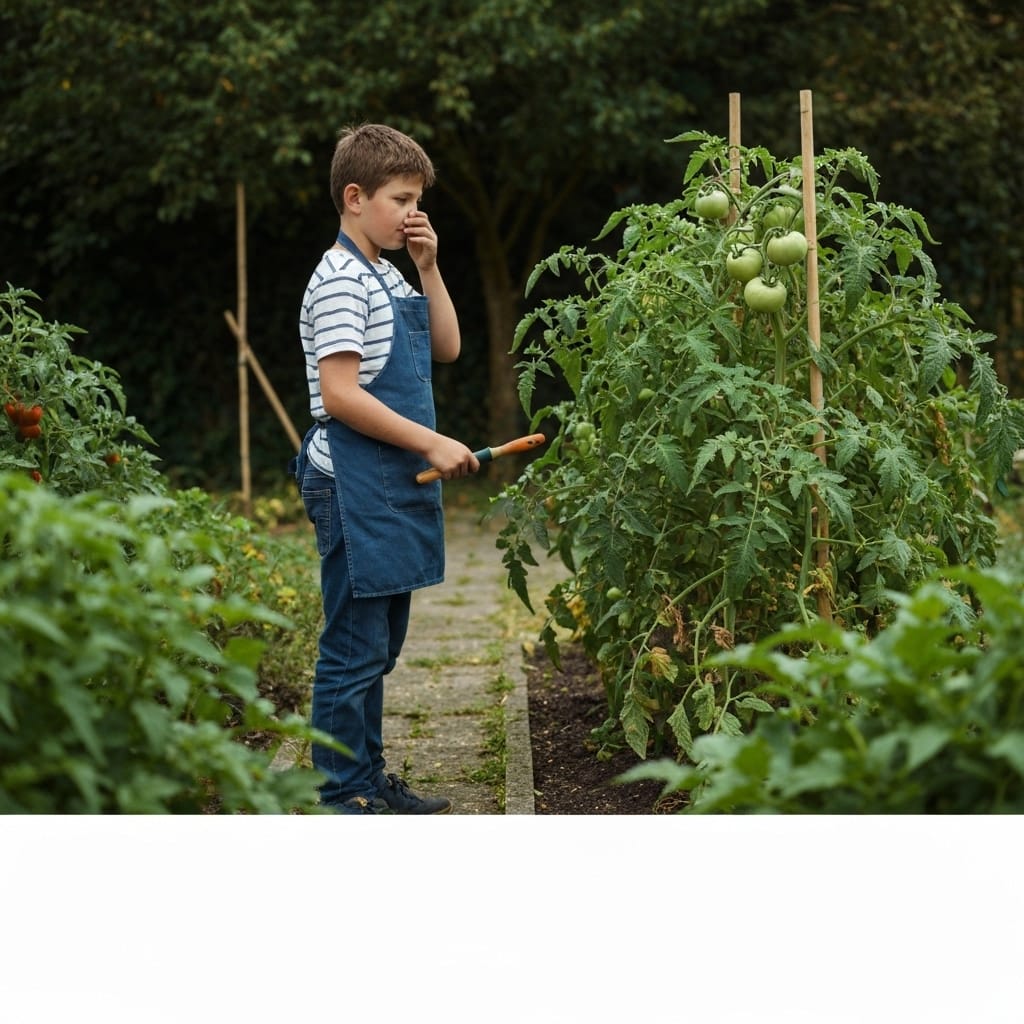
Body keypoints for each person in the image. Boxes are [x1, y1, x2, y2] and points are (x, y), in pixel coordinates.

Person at [292, 123, 479, 814]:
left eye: (418, 199)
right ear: (353, 196)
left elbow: (448, 348)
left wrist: (429, 267)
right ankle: (341, 794)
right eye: (401, 199)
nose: (413, 212)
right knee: (353, 645)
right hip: (350, 482)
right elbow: (340, 394)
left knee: (381, 645)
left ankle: (366, 779)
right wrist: (430, 442)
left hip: (385, 478)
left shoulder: (386, 271)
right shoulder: (340, 279)